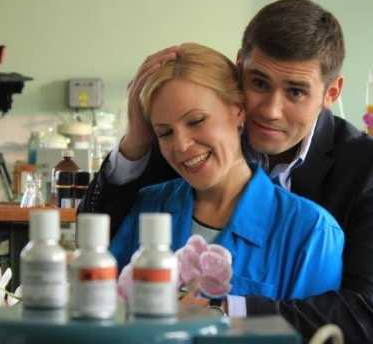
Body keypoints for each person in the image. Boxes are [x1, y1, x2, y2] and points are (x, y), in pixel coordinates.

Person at [80, 0, 373, 344]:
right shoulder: (175, 149)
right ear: (239, 72)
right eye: (259, 83)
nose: (270, 110)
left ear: (330, 92)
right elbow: (93, 250)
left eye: (295, 92)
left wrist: (219, 311)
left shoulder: (350, 186)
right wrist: (136, 140)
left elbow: (364, 316)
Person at [109, 43, 344, 301]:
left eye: (196, 121)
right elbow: (105, 309)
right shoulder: (150, 206)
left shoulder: (311, 231)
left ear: (238, 111)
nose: (181, 146)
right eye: (165, 133)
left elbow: (314, 325)